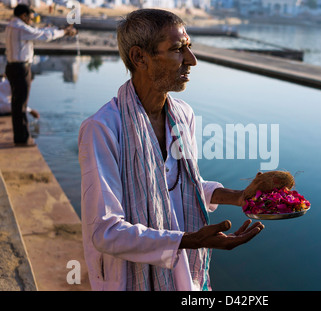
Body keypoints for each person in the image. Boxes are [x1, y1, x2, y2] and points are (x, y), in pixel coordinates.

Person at [78, 9, 265, 291]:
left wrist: (239, 197)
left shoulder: (182, 115)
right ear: (140, 57)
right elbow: (105, 232)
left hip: (182, 272)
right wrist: (189, 241)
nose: (192, 60)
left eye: (189, 47)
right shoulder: (102, 128)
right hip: (130, 277)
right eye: (178, 49)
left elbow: (182, 186)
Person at [5, 4, 76, 146]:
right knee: (21, 104)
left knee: (17, 103)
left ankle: (20, 137)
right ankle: (22, 139)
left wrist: (60, 30)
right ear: (24, 15)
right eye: (30, 18)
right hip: (20, 69)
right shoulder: (20, 27)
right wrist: (64, 32)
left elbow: (37, 31)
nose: (31, 21)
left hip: (12, 67)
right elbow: (43, 35)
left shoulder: (11, 25)